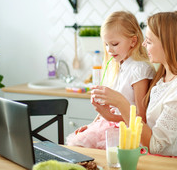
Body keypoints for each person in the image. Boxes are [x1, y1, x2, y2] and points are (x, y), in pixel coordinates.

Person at [91, 11, 177, 156]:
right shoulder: (170, 70)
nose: (143, 45)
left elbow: (154, 146)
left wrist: (122, 103)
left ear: (168, 45)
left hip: (166, 163)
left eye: (149, 41)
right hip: (144, 151)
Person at [66, 11, 155, 149]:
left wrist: (111, 118)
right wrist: (92, 125)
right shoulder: (116, 66)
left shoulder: (139, 70)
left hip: (127, 132)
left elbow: (141, 118)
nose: (109, 50)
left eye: (114, 44)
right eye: (106, 44)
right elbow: (107, 110)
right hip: (108, 127)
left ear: (133, 41)